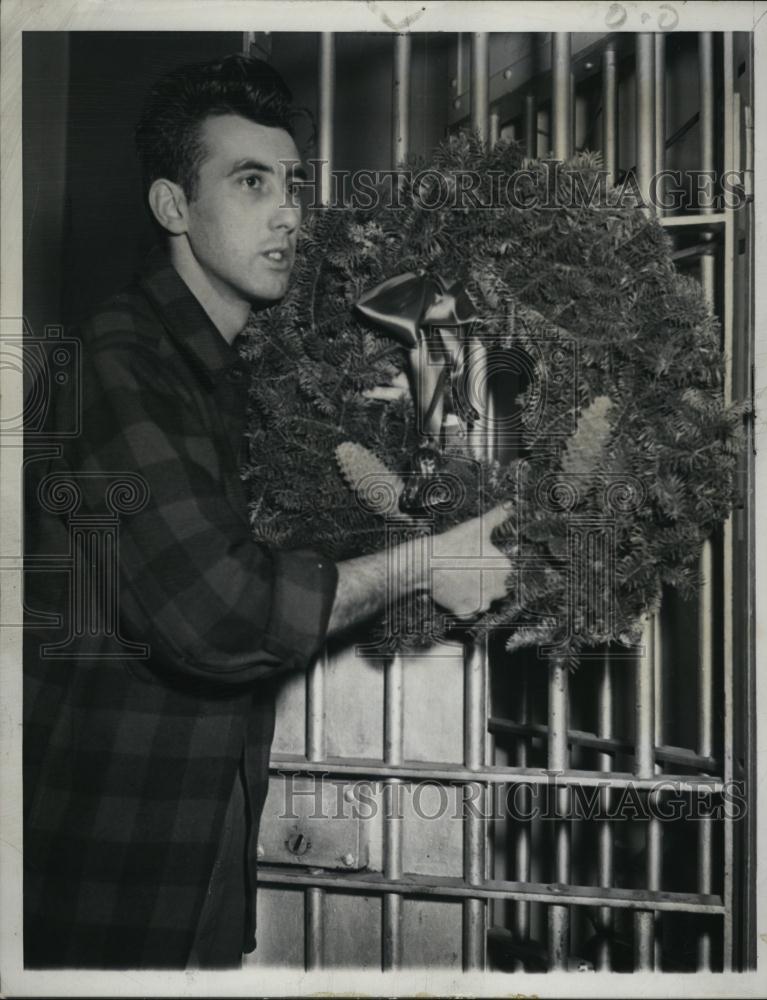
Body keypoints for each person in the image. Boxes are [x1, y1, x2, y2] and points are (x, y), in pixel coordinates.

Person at [23, 53, 513, 970]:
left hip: (194, 838)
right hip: (101, 857)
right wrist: (423, 563)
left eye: (292, 183)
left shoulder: (221, 370)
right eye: (250, 182)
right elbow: (223, 612)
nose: (289, 209)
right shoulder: (118, 362)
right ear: (174, 207)